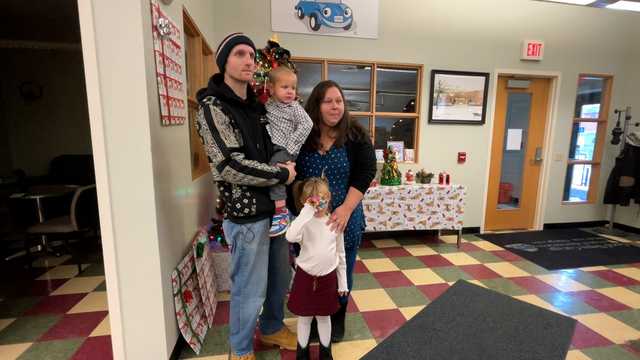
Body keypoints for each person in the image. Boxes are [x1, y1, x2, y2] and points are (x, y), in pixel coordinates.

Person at [195, 32, 297, 360]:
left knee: (279, 280)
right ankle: (239, 349)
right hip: (247, 216)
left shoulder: (257, 107)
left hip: (276, 213)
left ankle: (270, 329)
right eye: (239, 54)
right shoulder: (212, 107)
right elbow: (228, 165)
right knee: (249, 290)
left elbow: (272, 148)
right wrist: (281, 174)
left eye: (251, 55)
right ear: (224, 61)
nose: (248, 60)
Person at [295, 80, 377, 342]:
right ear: (316, 105)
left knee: (341, 271)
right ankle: (313, 317)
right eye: (328, 101)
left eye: (339, 101)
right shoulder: (302, 135)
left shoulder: (355, 135)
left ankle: (336, 319)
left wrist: (345, 209)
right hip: (309, 224)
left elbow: (366, 173)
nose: (335, 106)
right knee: (311, 273)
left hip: (345, 220)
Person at [286, 177, 347, 360]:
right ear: (305, 203)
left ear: (328, 197)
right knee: (304, 318)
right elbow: (290, 236)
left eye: (322, 198)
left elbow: (341, 255)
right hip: (305, 277)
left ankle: (325, 353)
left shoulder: (334, 223)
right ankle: (302, 353)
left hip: (328, 278)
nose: (318, 204)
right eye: (313, 201)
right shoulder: (303, 224)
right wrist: (306, 212)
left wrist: (342, 282)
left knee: (324, 316)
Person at [265, 66, 313, 237]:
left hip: (285, 148)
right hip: (273, 147)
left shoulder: (294, 107)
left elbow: (307, 124)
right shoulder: (269, 106)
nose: (290, 92)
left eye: (293, 88)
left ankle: (281, 212)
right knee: (267, 171)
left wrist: (291, 146)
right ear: (271, 88)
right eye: (284, 87)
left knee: (276, 173)